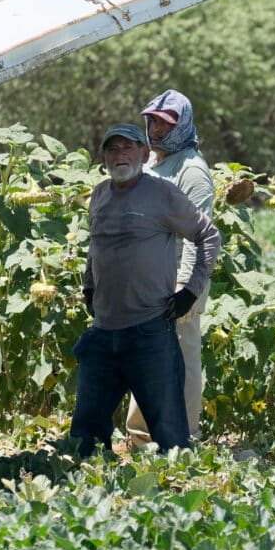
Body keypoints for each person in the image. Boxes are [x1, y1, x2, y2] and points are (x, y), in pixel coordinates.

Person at [71, 123, 221, 457]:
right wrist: (89, 285)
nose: (120, 155)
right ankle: (90, 497)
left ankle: (180, 498)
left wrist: (190, 290)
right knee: (84, 438)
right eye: (112, 149)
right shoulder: (100, 194)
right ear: (104, 157)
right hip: (104, 333)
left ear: (143, 153)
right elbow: (95, 244)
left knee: (171, 441)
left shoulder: (162, 193)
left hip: (149, 332)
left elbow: (207, 235)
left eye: (128, 147)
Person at [124, 90, 215, 447]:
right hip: (149, 280)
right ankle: (140, 436)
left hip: (179, 279)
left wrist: (186, 289)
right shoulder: (153, 163)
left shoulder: (192, 171)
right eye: (153, 122)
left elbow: (198, 236)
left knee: (180, 356)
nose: (157, 130)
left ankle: (181, 435)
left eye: (165, 123)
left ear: (182, 125)